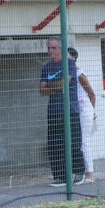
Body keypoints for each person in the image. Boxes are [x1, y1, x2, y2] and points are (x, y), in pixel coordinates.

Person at [39, 37, 85, 187]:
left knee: (73, 142)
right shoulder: (46, 67)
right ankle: (60, 176)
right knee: (55, 144)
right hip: (54, 111)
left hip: (69, 110)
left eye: (54, 48)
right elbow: (41, 90)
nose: (51, 51)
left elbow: (65, 83)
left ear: (60, 48)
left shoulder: (69, 63)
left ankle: (78, 172)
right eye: (49, 48)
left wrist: (51, 85)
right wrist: (57, 85)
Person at [68, 47, 97, 184]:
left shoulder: (79, 73)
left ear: (73, 58)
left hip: (84, 109)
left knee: (84, 142)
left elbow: (91, 93)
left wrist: (92, 110)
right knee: (77, 141)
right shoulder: (68, 72)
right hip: (76, 110)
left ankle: (89, 174)